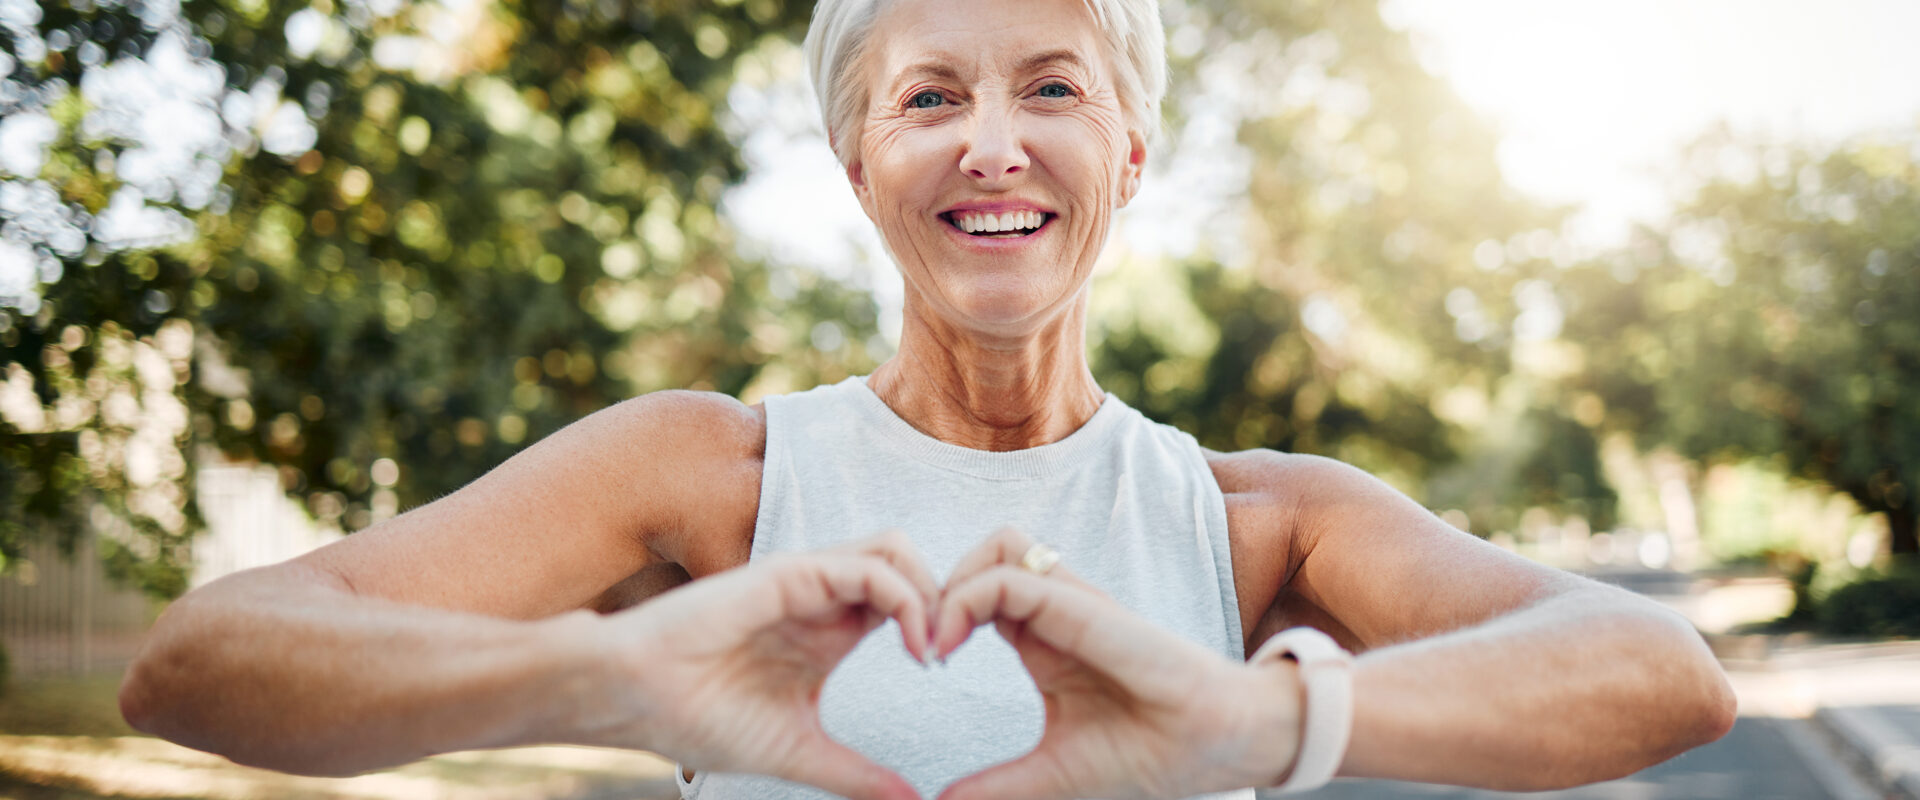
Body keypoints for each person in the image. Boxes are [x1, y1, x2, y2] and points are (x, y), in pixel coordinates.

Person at [117, 0, 1738, 797]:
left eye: (1051, 87)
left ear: (1127, 153)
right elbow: (194, 666)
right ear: (858, 165)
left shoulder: (1258, 523)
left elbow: (1663, 675)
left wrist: (1259, 717)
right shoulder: (709, 476)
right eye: (928, 97)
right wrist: (612, 679)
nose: (991, 141)